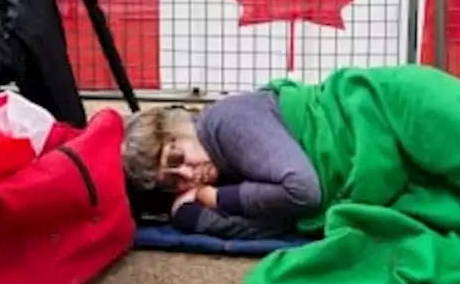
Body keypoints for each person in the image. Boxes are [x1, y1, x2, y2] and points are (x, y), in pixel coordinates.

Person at [122, 89, 320, 239]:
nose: (189, 175)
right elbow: (283, 222)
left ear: (177, 129)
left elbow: (303, 191)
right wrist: (195, 218)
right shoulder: (215, 161)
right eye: (173, 182)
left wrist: (217, 198)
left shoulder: (229, 122)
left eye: (176, 157)